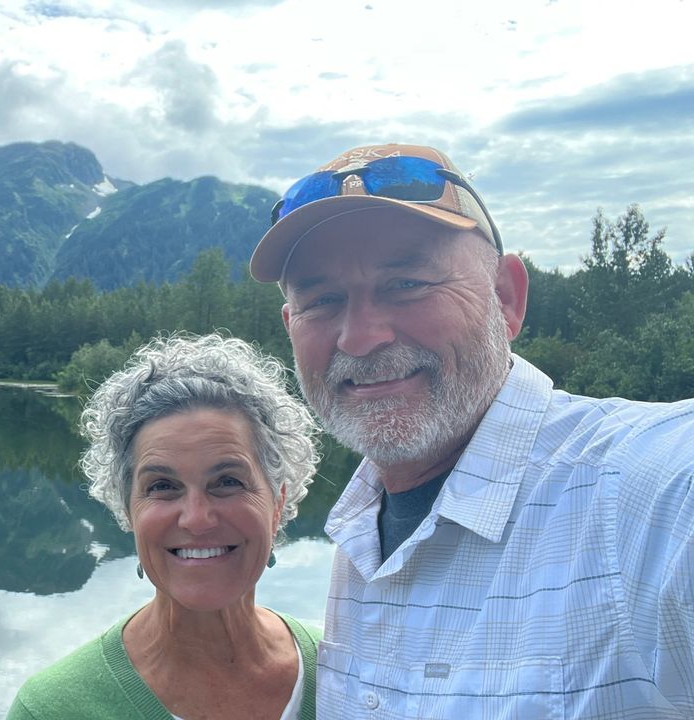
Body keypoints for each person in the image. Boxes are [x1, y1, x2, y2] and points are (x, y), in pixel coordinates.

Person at [249, 143, 694, 718]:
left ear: (505, 298)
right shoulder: (361, 528)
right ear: (291, 325)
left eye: (406, 283)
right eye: (323, 300)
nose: (360, 337)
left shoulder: (643, 493)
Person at [7, 333, 323, 720]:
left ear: (277, 504)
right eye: (162, 486)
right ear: (127, 510)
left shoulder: (351, 672)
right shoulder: (52, 710)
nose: (196, 518)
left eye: (227, 481)